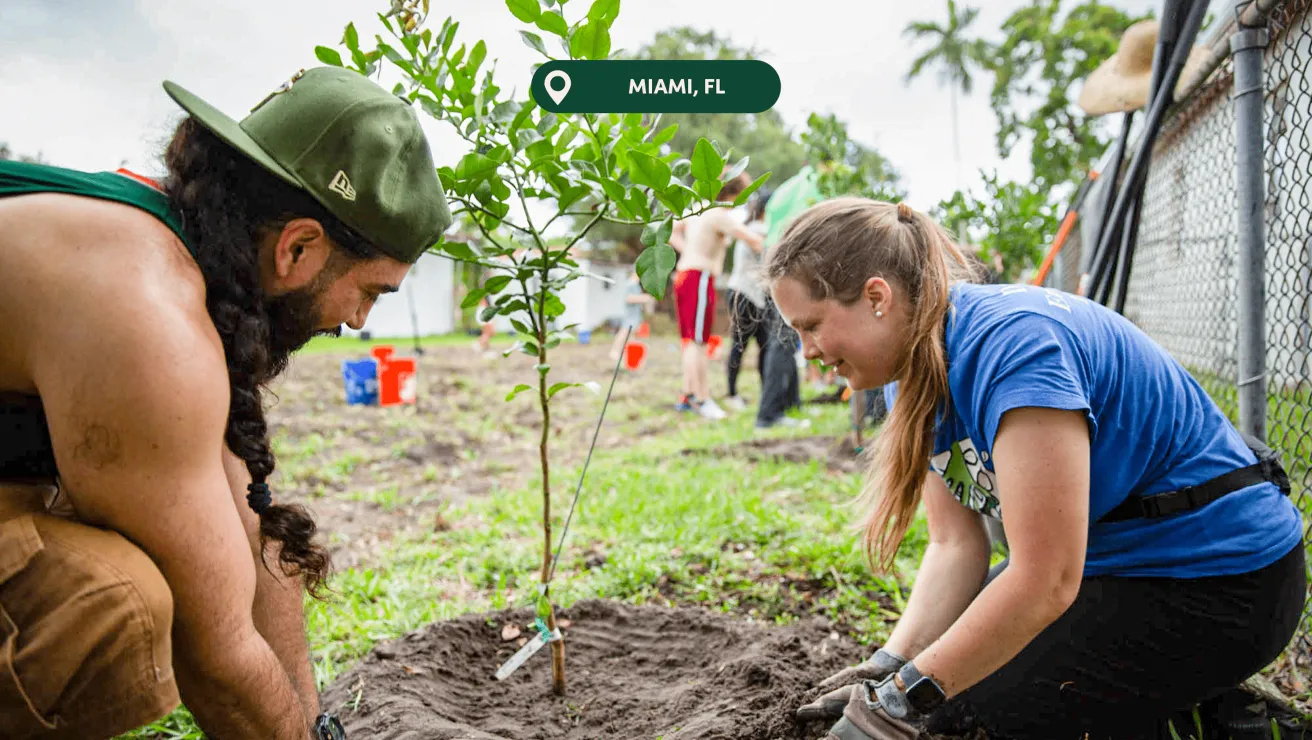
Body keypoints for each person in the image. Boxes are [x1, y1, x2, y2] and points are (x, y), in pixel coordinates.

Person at [0, 66, 451, 740]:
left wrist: (314, 726)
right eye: (371, 292)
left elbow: (249, 529)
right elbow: (219, 660)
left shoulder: (173, 244)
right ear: (299, 246)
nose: (358, 321)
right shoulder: (145, 313)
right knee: (111, 601)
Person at [765, 198, 1304, 740]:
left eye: (810, 326)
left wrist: (902, 704)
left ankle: (1218, 718)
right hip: (1117, 566)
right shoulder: (910, 366)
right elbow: (956, 547)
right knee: (949, 670)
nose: (805, 350)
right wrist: (888, 669)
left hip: (1224, 582)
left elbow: (1045, 582)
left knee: (960, 714)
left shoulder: (1018, 351)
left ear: (877, 297)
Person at [668, 170, 763, 420]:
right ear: (734, 193)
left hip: (684, 275)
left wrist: (688, 250)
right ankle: (702, 398)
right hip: (698, 278)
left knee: (690, 340)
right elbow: (753, 240)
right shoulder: (719, 215)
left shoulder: (698, 208)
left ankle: (688, 395)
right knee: (698, 341)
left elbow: (671, 231)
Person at [722, 191, 770, 412]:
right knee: (742, 345)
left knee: (757, 345)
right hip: (745, 294)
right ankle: (732, 394)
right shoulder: (759, 231)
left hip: (750, 294)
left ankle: (763, 393)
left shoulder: (751, 228)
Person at [609, 269, 655, 361]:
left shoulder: (635, 285)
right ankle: (614, 351)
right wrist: (645, 298)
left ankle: (630, 355)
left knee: (631, 336)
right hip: (629, 314)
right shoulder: (629, 284)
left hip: (635, 315)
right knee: (624, 333)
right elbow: (628, 298)